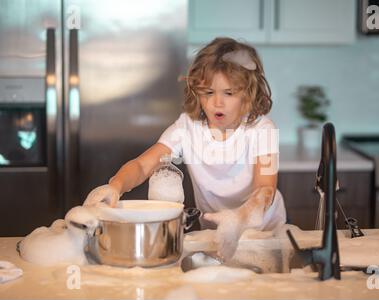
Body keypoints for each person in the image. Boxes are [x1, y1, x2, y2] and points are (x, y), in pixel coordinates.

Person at [84, 37, 287, 261]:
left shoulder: (264, 129)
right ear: (197, 92)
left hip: (264, 235)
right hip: (215, 234)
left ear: (248, 96)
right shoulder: (187, 128)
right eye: (208, 92)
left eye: (228, 93)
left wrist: (241, 218)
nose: (217, 102)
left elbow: (265, 189)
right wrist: (115, 186)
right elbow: (143, 165)